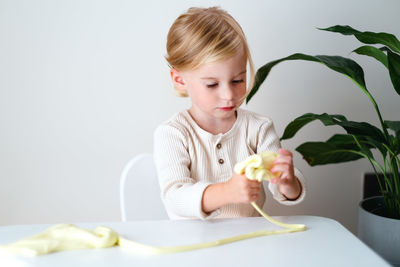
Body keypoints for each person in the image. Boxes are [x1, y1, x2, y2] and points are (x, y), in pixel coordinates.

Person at [154, 6, 306, 220]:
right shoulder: (173, 133)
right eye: (212, 84)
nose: (228, 95)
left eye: (237, 80)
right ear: (180, 80)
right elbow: (174, 197)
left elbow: (285, 191)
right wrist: (227, 192)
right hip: (193, 246)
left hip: (248, 242)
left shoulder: (258, 128)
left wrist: (288, 183)